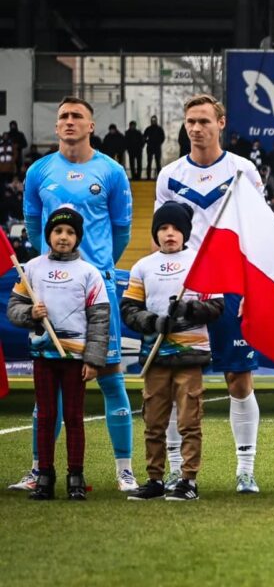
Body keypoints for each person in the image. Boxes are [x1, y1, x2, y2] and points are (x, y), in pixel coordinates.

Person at [11, 97, 136, 494]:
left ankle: (125, 470)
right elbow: (34, 225)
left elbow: (121, 232)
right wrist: (52, 268)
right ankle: (38, 469)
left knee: (111, 378)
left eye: (76, 116)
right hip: (50, 292)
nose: (68, 122)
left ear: (91, 125)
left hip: (96, 287)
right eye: (63, 116)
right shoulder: (38, 171)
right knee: (51, 380)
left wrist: (95, 267)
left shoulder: (112, 171)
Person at [153, 94, 266, 494]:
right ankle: (174, 470)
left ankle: (245, 469)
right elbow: (161, 234)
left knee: (238, 378)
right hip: (184, 289)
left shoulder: (243, 170)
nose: (196, 128)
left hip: (232, 287)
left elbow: (258, 230)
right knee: (173, 380)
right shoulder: (169, 175)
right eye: (190, 122)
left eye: (203, 121)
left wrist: (254, 285)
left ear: (221, 122)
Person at [121, 202, 224, 501]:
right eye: (164, 228)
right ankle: (154, 479)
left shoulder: (201, 262)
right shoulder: (143, 267)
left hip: (190, 356)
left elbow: (216, 306)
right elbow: (130, 310)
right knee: (153, 420)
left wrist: (188, 308)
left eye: (176, 229)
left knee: (189, 420)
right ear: (155, 233)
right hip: (156, 356)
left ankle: (188, 480)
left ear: (185, 233)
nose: (170, 234)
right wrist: (154, 321)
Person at [8, 207, 110, 500]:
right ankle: (44, 476)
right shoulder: (32, 269)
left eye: (70, 232)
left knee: (74, 416)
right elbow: (14, 310)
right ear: (48, 235)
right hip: (44, 358)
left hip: (75, 359)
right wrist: (31, 312)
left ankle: (75, 477)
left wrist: (93, 359)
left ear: (77, 238)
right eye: (57, 231)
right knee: (46, 416)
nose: (63, 237)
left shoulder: (89, 273)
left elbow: (100, 319)